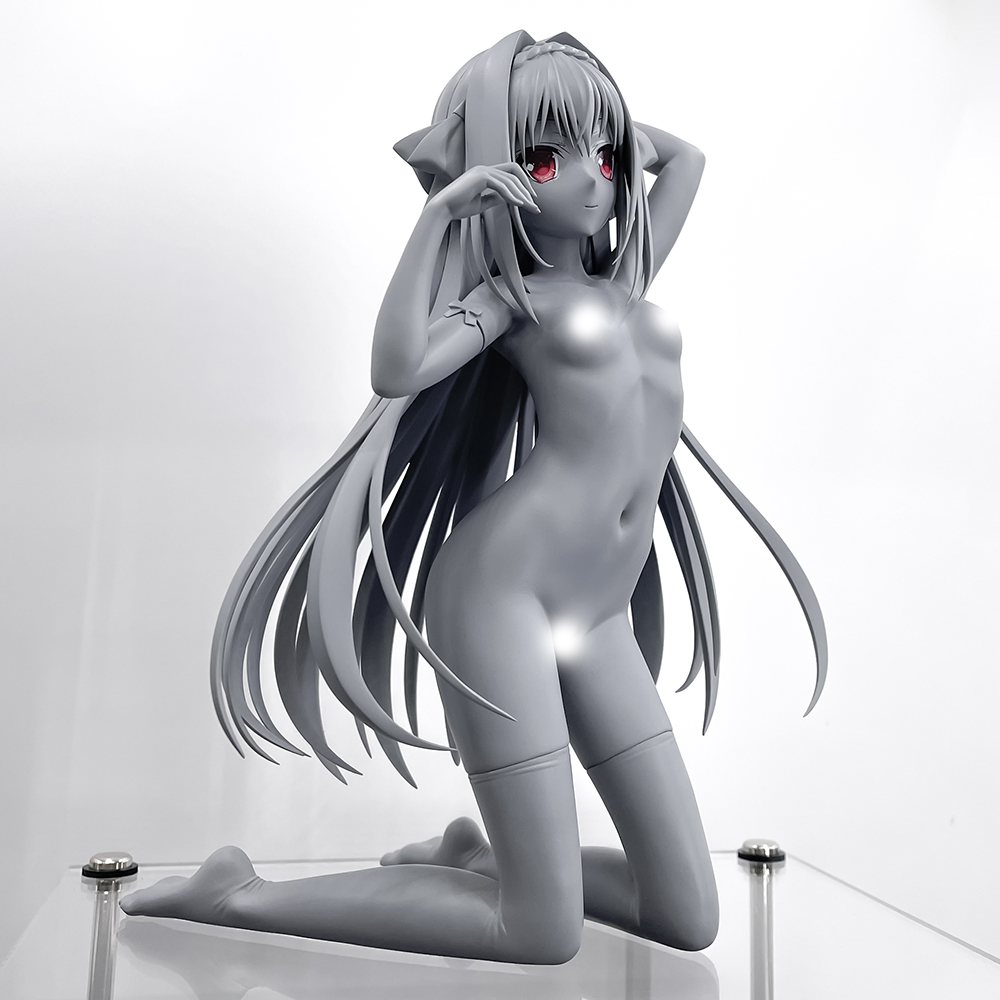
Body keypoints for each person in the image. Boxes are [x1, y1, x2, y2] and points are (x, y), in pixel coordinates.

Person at [122, 30, 825, 964]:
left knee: (686, 914)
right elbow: (397, 367)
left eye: (605, 155)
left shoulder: (625, 282)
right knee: (539, 932)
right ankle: (239, 894)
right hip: (503, 597)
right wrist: (445, 206)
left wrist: (575, 113)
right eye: (549, 159)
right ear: (502, 174)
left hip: (597, 614)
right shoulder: (510, 299)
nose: (593, 179)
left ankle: (474, 857)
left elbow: (686, 157)